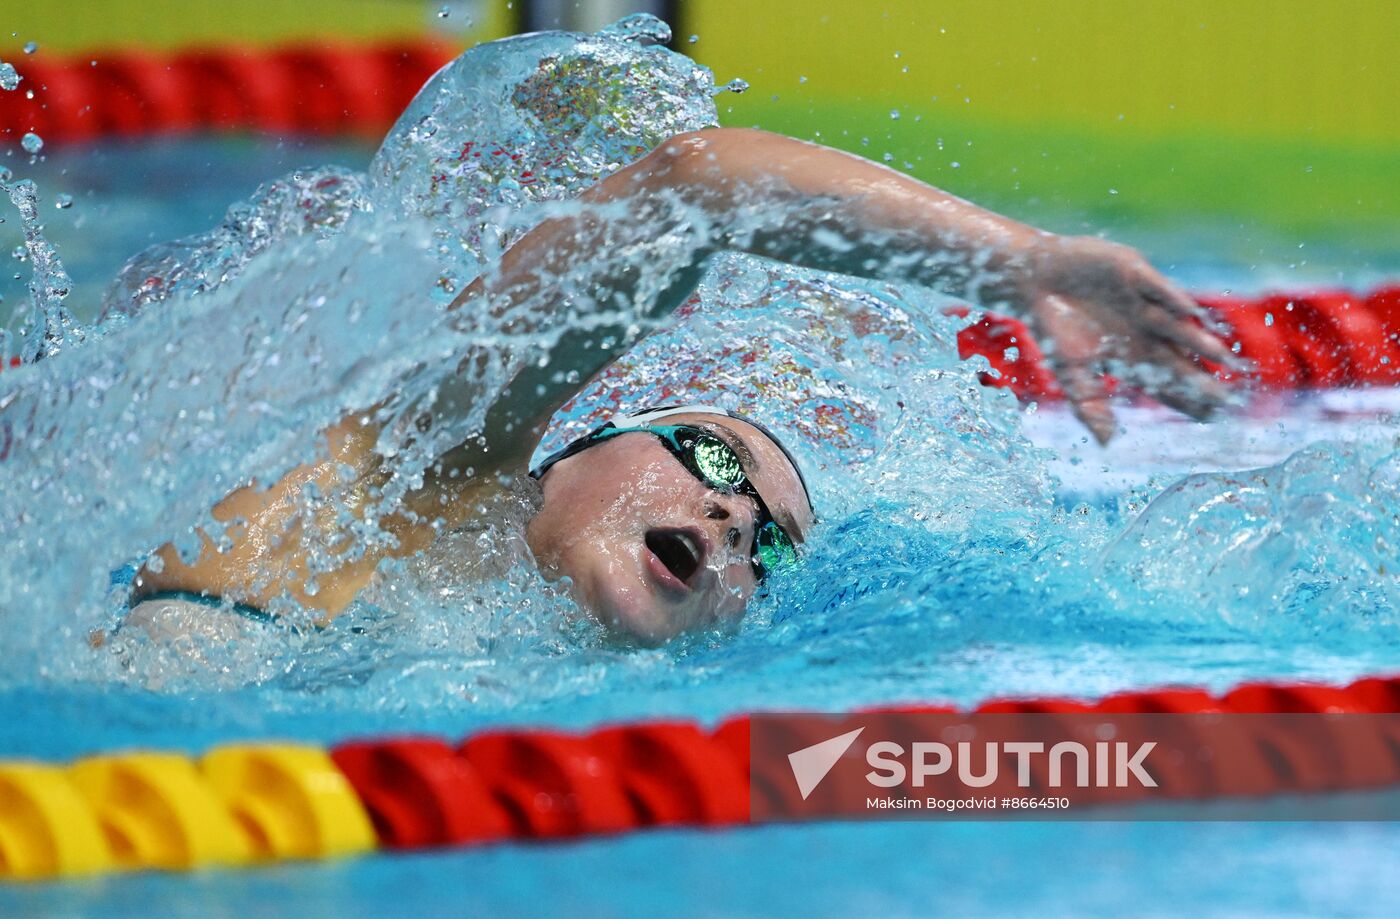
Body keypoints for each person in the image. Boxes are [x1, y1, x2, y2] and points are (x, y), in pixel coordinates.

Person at [126, 127, 1239, 646]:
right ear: (572, 441)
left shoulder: (513, 694)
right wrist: (1017, 264)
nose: (732, 519)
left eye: (768, 545)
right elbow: (694, 188)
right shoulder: (417, 458)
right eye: (715, 463)